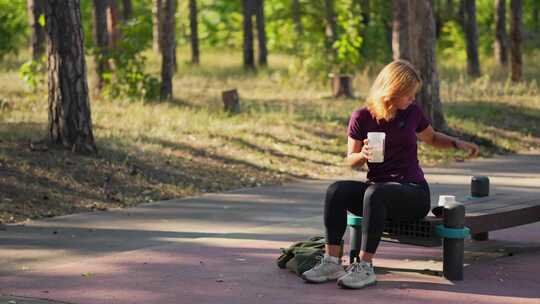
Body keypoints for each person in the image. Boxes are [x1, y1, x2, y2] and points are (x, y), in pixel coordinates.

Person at [301, 60, 479, 289]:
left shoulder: (412, 113)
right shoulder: (361, 117)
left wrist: (458, 144)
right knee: (337, 190)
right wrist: (363, 154)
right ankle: (332, 262)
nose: (413, 99)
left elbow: (432, 138)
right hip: (378, 192)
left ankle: (364, 266)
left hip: (412, 192)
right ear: (392, 91)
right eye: (409, 94)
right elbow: (351, 160)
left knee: (376, 193)